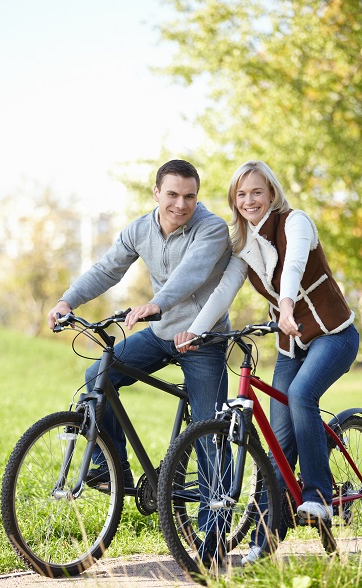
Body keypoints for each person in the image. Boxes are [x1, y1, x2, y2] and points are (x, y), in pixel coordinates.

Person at [175, 160, 359, 563]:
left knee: (300, 395)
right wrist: (197, 330)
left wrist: (288, 306)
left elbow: (292, 266)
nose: (248, 201)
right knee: (278, 441)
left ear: (271, 193)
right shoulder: (244, 244)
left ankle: (318, 496)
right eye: (241, 195)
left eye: (256, 192)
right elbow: (224, 290)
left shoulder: (296, 222)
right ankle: (265, 539)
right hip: (290, 345)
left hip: (332, 335)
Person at [47, 159, 232, 563]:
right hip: (162, 332)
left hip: (203, 338)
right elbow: (107, 268)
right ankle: (114, 469)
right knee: (98, 374)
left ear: (197, 197)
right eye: (172, 195)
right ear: (156, 193)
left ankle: (214, 534)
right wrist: (68, 300)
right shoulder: (139, 229)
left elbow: (191, 274)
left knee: (207, 431)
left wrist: (155, 304)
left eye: (189, 196)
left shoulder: (212, 228)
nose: (181, 204)